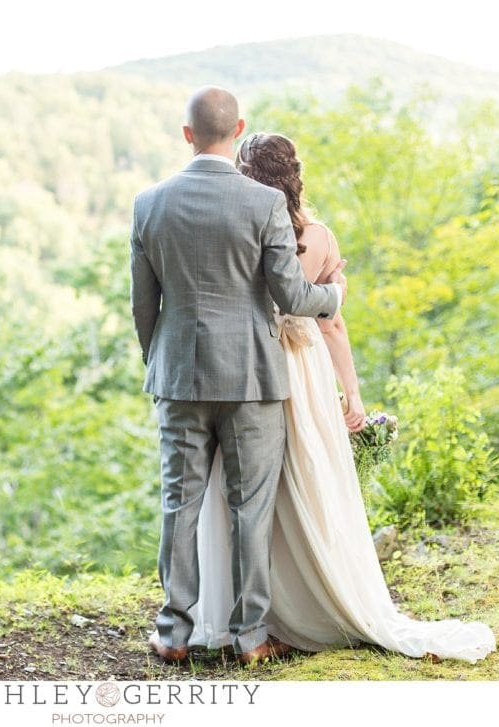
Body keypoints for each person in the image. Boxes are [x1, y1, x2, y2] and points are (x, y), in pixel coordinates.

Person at [187, 132, 497, 664]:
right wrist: (350, 393)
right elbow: (331, 324)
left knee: (241, 487)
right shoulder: (319, 236)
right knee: (308, 479)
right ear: (295, 173)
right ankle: (313, 600)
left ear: (243, 172)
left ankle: (239, 615)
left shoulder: (233, 227)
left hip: (244, 369)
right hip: (302, 373)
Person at [130, 86, 348, 666]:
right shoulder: (263, 205)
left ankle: (173, 632)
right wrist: (333, 296)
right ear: (239, 128)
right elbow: (291, 294)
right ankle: (250, 636)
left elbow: (142, 307)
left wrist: (163, 362)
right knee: (250, 506)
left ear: (187, 134)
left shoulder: (148, 203)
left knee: (180, 501)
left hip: (177, 376)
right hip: (253, 376)